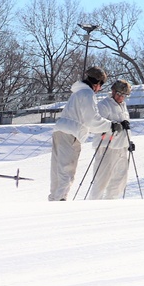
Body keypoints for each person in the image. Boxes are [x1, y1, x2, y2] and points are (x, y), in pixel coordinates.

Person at [48, 66, 118, 201]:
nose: (100, 89)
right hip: (71, 134)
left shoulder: (77, 93)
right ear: (97, 83)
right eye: (100, 85)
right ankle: (60, 200)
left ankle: (54, 199)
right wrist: (111, 125)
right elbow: (92, 120)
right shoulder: (87, 94)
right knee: (67, 170)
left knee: (57, 169)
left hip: (60, 131)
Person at [87, 80, 134, 200]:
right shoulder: (104, 105)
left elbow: (126, 126)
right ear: (113, 91)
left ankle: (111, 204)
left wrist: (129, 141)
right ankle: (93, 205)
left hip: (121, 148)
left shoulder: (123, 106)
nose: (121, 98)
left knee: (119, 181)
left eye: (124, 96)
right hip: (107, 147)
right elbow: (96, 126)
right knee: (102, 180)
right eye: (119, 94)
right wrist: (114, 126)